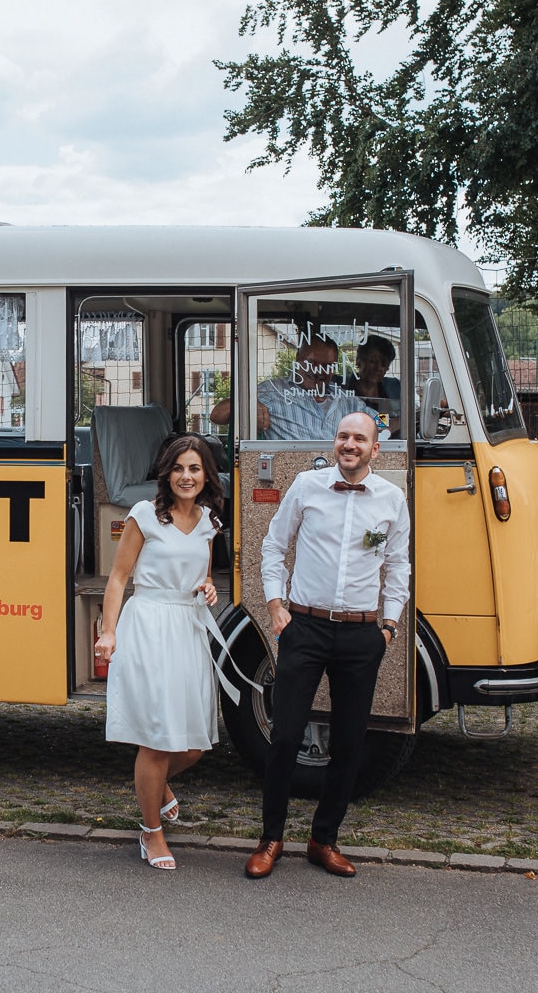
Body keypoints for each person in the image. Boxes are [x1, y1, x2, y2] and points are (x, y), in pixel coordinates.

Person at [245, 411, 411, 879]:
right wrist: (277, 607)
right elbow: (274, 546)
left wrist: (389, 628)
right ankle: (271, 838)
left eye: (360, 438)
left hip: (362, 635)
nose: (350, 444)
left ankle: (324, 839)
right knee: (284, 737)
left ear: (375, 449)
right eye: (343, 436)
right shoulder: (306, 485)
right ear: (335, 443)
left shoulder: (392, 500)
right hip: (305, 628)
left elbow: (398, 566)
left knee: (349, 744)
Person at [95, 435, 228, 871]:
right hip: (150, 625)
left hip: (187, 629)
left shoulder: (209, 519)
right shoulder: (144, 516)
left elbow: (204, 576)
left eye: (194, 469)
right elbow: (118, 578)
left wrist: (208, 588)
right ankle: (151, 833)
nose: (186, 477)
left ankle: (157, 788)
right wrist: (108, 632)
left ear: (206, 474)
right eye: (178, 468)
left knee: (194, 744)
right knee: (156, 738)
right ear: (166, 473)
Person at [210, 335, 370, 441]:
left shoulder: (345, 399)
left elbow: (381, 421)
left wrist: (391, 421)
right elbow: (217, 415)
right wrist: (248, 403)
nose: (319, 371)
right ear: (298, 359)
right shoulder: (273, 391)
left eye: (327, 366)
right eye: (312, 363)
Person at [347, 335, 402, 438]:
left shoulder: (394, 387)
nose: (378, 368)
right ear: (358, 361)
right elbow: (372, 425)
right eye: (373, 361)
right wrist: (397, 422)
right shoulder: (342, 388)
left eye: (383, 364)